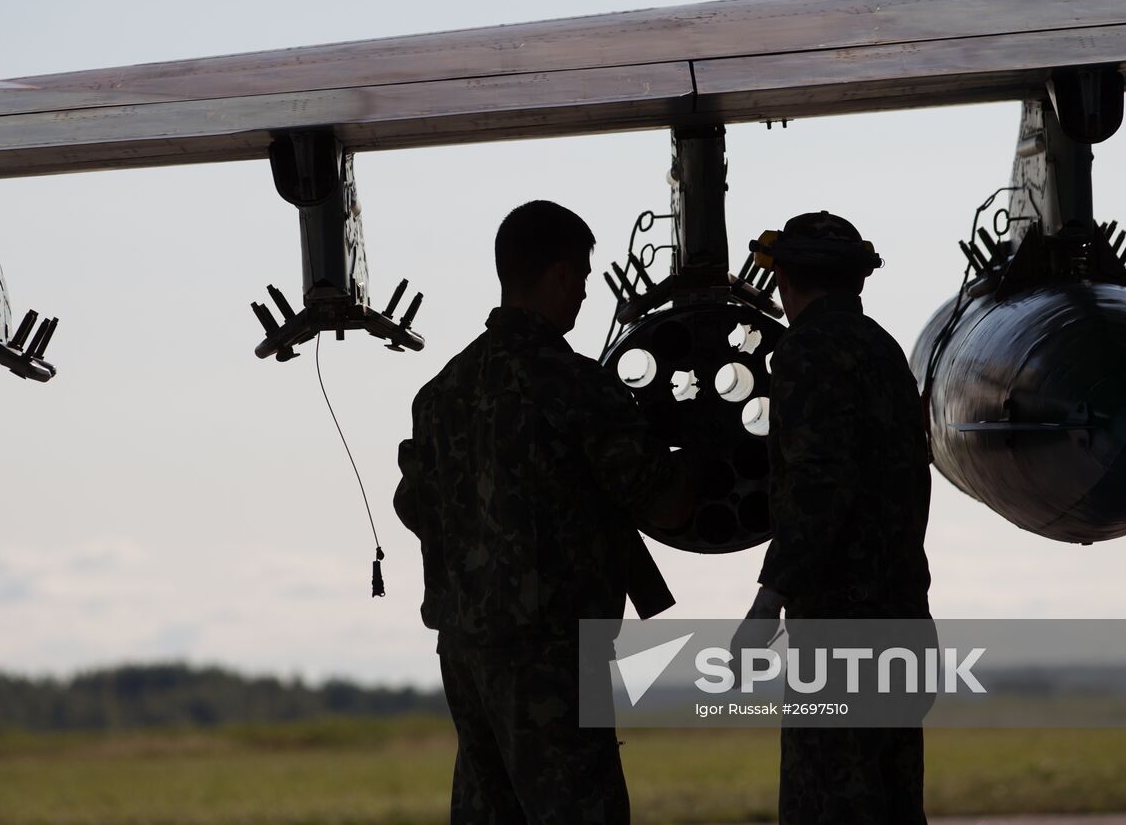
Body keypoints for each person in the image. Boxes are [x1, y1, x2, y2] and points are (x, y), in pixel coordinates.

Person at [394, 199, 688, 824]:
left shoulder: (441, 395)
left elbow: (414, 506)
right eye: (581, 278)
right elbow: (663, 498)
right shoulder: (573, 384)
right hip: (551, 659)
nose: (583, 295)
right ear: (559, 274)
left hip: (466, 656)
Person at [733, 211, 933, 824]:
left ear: (787, 284)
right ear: (858, 283)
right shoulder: (884, 352)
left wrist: (768, 604)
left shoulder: (807, 351)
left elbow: (818, 487)